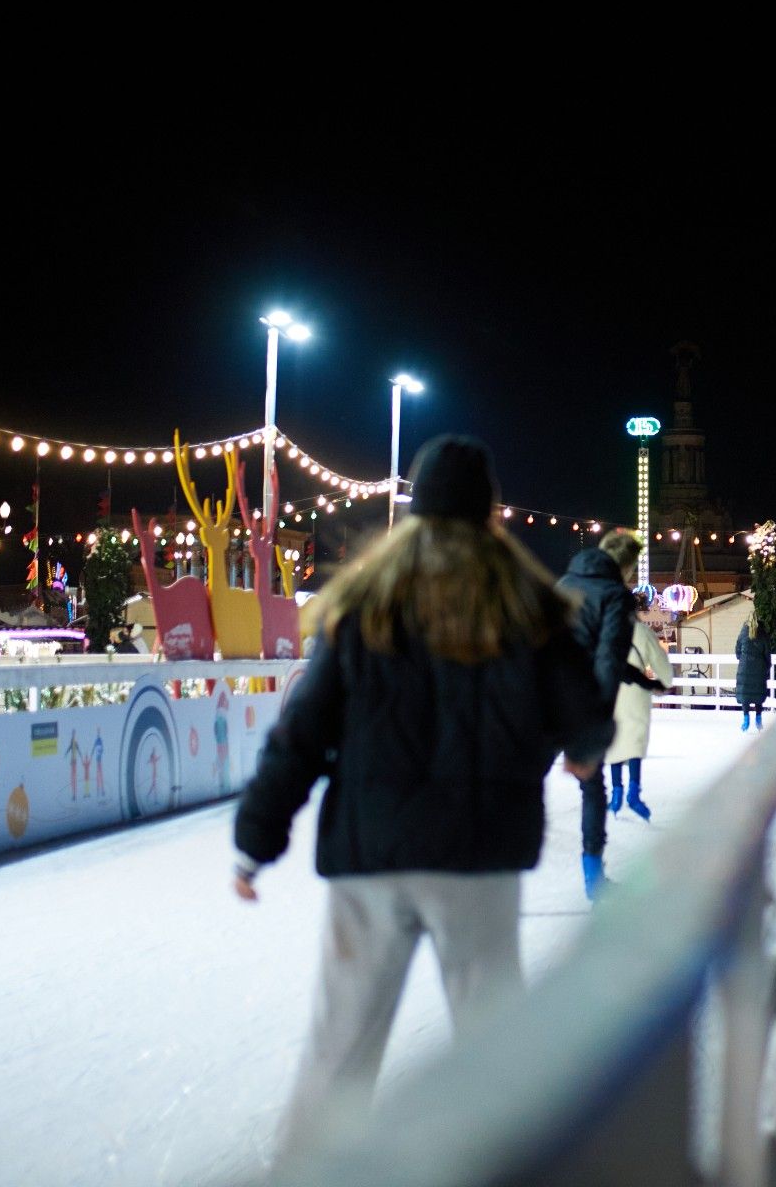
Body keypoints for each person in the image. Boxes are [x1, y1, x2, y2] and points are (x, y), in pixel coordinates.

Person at [232, 435, 614, 1158]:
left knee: (340, 1046)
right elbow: (586, 715)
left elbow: (301, 735)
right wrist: (583, 755)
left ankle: (308, 1176)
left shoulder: (365, 605)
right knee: (491, 1036)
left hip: (371, 854)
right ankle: (509, 1168)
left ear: (413, 512)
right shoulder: (527, 608)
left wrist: (256, 842)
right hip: (477, 856)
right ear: (491, 514)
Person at [560, 529, 668, 898]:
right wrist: (596, 722)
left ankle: (489, 879)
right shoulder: (615, 597)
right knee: (592, 788)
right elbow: (606, 659)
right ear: (627, 565)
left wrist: (639, 678)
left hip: (538, 696)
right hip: (577, 701)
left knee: (522, 784)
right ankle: (593, 880)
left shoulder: (564, 582)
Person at [606, 589, 674, 823]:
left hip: (611, 691)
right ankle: (634, 792)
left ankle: (616, 793)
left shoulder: (606, 631)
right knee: (633, 741)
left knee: (615, 741)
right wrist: (664, 681)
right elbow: (659, 660)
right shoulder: (642, 632)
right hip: (636, 693)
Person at [736, 615, 776, 731]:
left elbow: (737, 652)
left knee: (745, 695)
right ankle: (758, 720)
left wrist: (744, 660)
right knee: (758, 695)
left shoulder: (743, 634)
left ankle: (746, 720)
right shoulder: (763, 635)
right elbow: (767, 654)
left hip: (744, 669)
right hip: (759, 668)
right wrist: (766, 667)